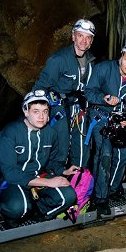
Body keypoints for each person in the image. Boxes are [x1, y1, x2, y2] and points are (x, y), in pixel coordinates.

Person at [0, 90, 77, 228]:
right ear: (25, 111)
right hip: (13, 180)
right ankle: (12, 214)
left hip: (38, 176)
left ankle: (39, 211)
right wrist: (47, 182)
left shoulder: (50, 133)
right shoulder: (10, 132)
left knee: (69, 196)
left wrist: (63, 171)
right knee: (17, 207)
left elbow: (52, 162)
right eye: (36, 111)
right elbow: (9, 172)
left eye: (45, 111)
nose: (41, 116)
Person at [84, 42, 126, 217]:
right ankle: (100, 198)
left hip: (120, 121)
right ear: (121, 56)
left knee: (124, 156)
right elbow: (89, 92)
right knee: (105, 154)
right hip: (100, 117)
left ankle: (112, 188)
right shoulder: (103, 68)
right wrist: (104, 98)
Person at [33, 19, 96, 169]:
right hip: (59, 107)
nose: (84, 40)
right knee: (60, 147)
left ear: (91, 41)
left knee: (82, 147)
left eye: (88, 37)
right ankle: (54, 184)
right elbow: (41, 86)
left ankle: (79, 184)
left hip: (80, 107)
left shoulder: (91, 61)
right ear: (73, 36)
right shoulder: (58, 59)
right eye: (80, 35)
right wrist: (36, 112)